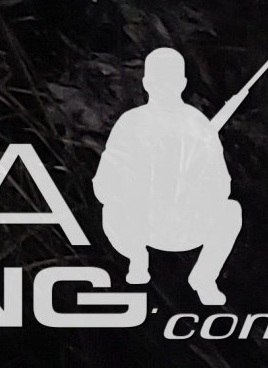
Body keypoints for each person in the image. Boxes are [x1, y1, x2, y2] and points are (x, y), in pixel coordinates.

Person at [98, 46, 248, 306]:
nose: (163, 86)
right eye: (158, 80)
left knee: (230, 211)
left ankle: (204, 277)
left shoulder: (198, 125)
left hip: (186, 223)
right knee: (112, 209)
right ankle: (137, 259)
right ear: (146, 83)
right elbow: (105, 181)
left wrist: (193, 184)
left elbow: (222, 185)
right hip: (141, 225)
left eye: (169, 80)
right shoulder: (131, 123)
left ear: (182, 83)